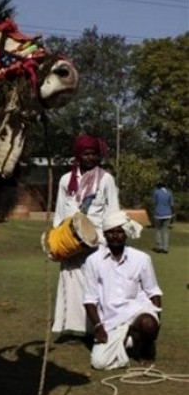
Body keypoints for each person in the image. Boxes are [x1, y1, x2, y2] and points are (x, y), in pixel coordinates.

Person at [52, 134, 120, 338]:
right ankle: (70, 328)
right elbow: (59, 210)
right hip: (70, 240)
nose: (91, 158)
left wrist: (108, 240)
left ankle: (95, 328)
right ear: (78, 155)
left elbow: (113, 210)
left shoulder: (106, 179)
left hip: (96, 241)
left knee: (95, 285)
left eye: (94, 154)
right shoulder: (66, 180)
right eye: (86, 154)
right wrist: (57, 238)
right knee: (69, 283)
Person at [83, 210, 162, 370]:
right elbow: (89, 299)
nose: (115, 236)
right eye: (110, 232)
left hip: (138, 312)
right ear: (104, 234)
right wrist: (98, 327)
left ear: (126, 234)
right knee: (99, 363)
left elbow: (153, 292)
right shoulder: (93, 261)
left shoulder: (141, 259)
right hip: (111, 320)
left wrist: (156, 323)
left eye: (120, 231)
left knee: (148, 324)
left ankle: (146, 349)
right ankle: (131, 340)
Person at [152, 182, 173, 254]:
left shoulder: (156, 192)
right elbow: (171, 204)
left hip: (158, 214)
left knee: (158, 230)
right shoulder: (169, 192)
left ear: (158, 187)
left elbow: (154, 202)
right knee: (165, 231)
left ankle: (159, 247)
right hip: (167, 214)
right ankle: (165, 248)